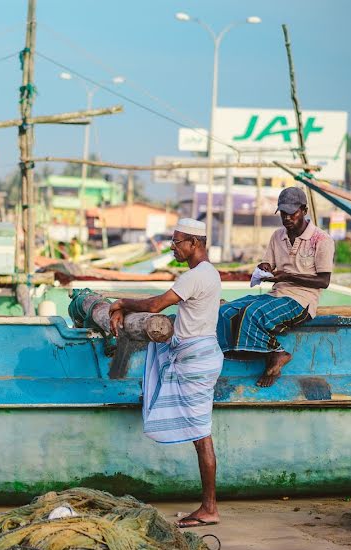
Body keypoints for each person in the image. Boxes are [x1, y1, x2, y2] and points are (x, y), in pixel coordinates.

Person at [109, 219, 223, 528]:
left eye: (177, 242)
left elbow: (155, 305)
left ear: (193, 244)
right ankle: (208, 506)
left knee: (202, 436)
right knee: (202, 434)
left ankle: (209, 508)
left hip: (196, 362)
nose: (172, 247)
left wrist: (121, 303)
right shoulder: (207, 273)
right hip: (199, 357)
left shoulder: (195, 276)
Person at [217, 187, 334, 387]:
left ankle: (277, 353)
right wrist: (265, 268)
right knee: (225, 311)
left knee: (252, 313)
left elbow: (324, 281)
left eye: (292, 213)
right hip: (277, 294)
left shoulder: (322, 240)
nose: (287, 218)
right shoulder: (277, 236)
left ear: (304, 211)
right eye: (283, 214)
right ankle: (251, 355)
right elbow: (268, 265)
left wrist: (288, 276)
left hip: (301, 300)